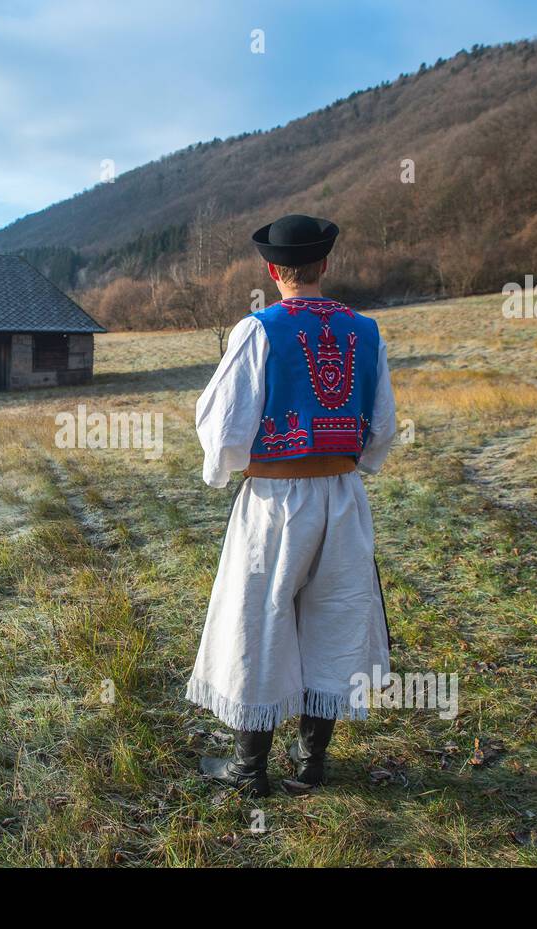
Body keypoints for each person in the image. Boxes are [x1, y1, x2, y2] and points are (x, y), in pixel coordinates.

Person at [187, 214, 398, 796]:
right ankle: (312, 765)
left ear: (271, 270)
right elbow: (381, 429)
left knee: (259, 616)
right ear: (325, 264)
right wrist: (350, 464)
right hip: (342, 496)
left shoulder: (258, 330)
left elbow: (225, 427)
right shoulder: (367, 331)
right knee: (333, 617)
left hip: (276, 501)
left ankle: (250, 769)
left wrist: (226, 469)